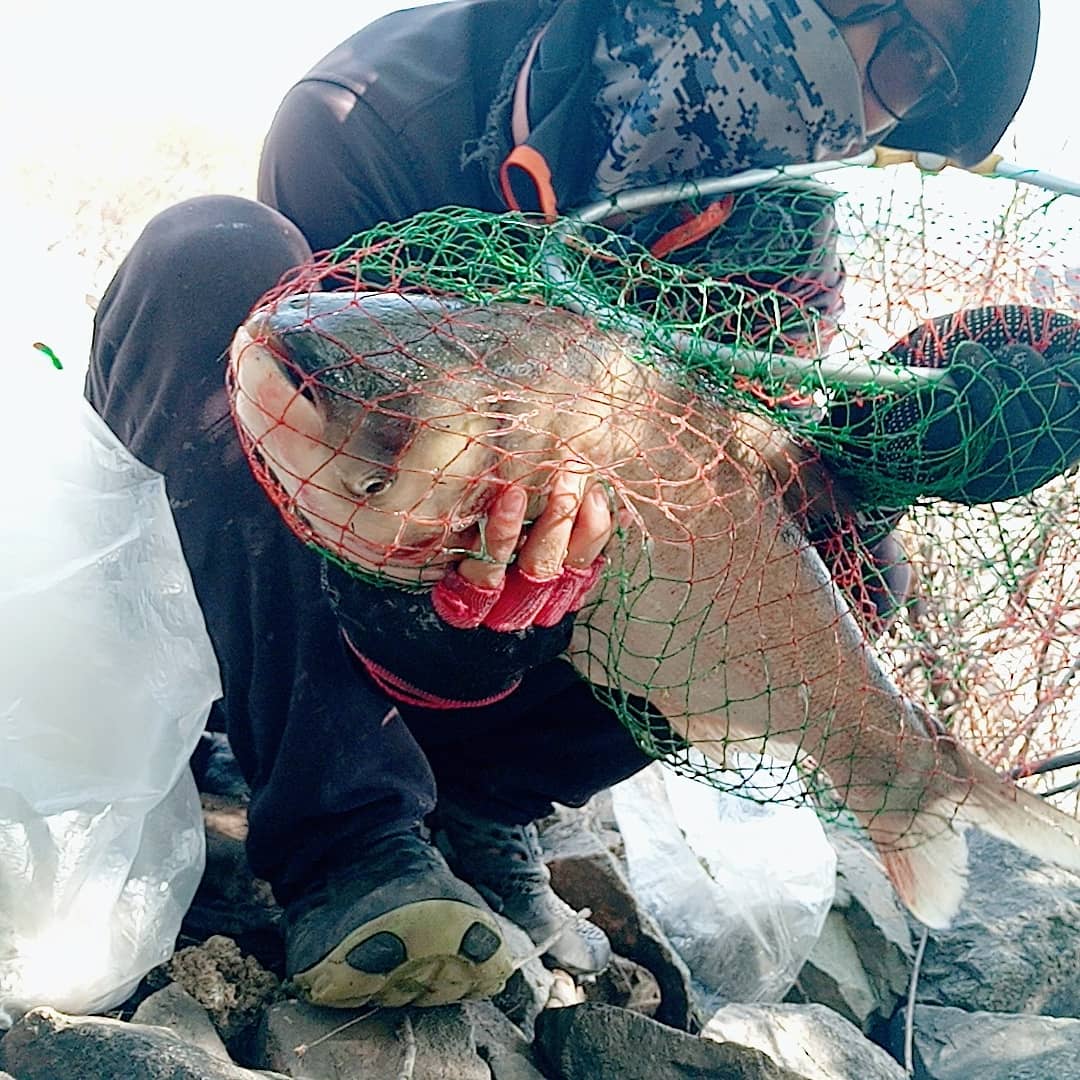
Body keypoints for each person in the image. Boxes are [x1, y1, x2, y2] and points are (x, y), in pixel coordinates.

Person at [86, 0, 1042, 1010]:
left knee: (853, 553)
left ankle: (481, 806)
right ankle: (347, 839)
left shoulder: (788, 243)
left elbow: (760, 476)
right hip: (301, 596)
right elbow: (320, 401)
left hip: (537, 588)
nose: (853, 54)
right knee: (206, 255)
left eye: (913, 59)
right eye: (856, 0)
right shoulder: (374, 110)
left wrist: (869, 466)